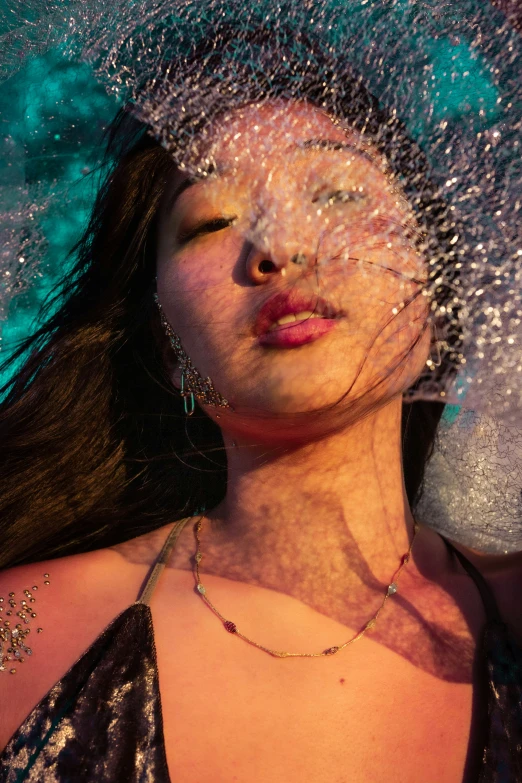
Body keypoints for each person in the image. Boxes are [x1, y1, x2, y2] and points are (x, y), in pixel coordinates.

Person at [0, 26, 520, 783]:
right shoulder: (25, 630)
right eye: (212, 220)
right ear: (171, 350)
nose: (277, 247)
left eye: (337, 195)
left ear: (437, 289)